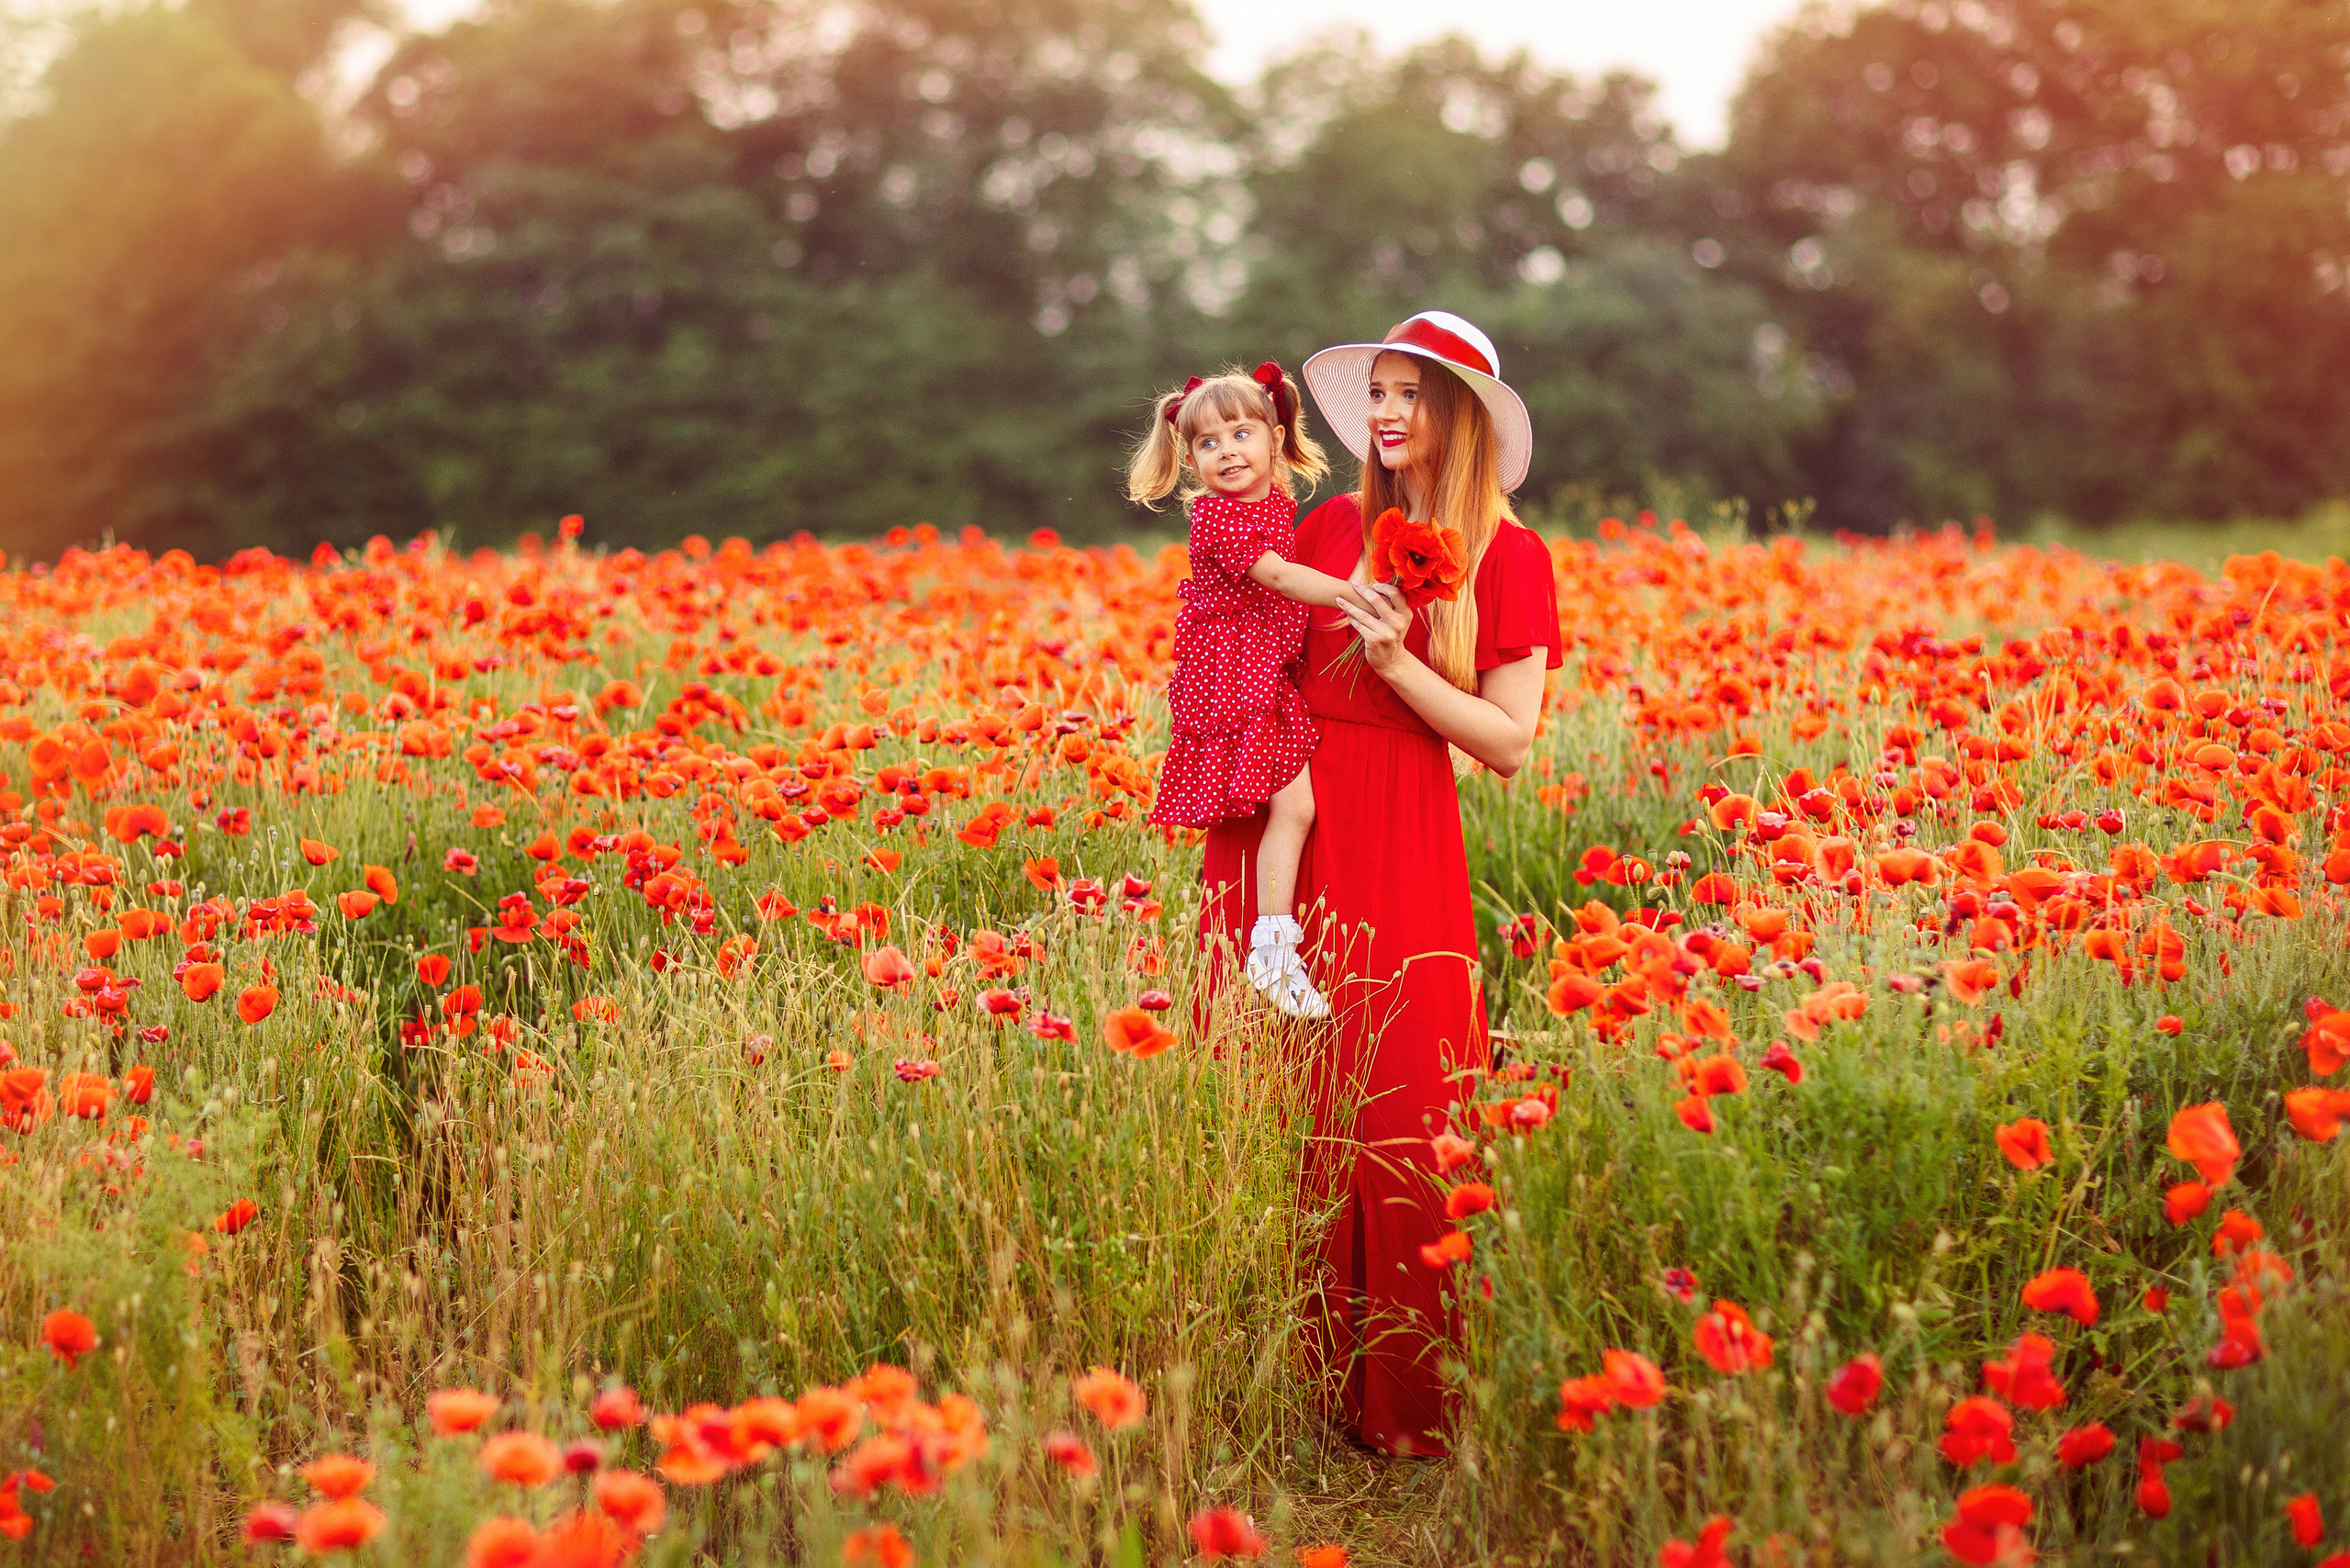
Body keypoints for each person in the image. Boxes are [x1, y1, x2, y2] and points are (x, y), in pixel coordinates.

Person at [1199, 311, 1560, 1455]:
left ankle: (1406, 1400)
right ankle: (1278, 1385)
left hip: (1403, 825)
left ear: (1460, 415)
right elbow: (1248, 639)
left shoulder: (1512, 554)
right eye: (1381, 392)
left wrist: (1401, 660)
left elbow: (1506, 743)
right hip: (1287, 823)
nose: (1388, 410)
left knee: (1405, 1100)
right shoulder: (1333, 521)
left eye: (1412, 392)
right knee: (1271, 1094)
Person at [1128, 362, 1365, 1018]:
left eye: (1240, 434)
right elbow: (1284, 580)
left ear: (1274, 434)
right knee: (1294, 809)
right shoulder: (1220, 519)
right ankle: (1273, 947)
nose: (1226, 452)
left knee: (1294, 809)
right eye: (1207, 443)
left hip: (1261, 671)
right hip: (1234, 679)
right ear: (1190, 460)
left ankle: (1273, 942)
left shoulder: (1275, 506)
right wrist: (1360, 595)